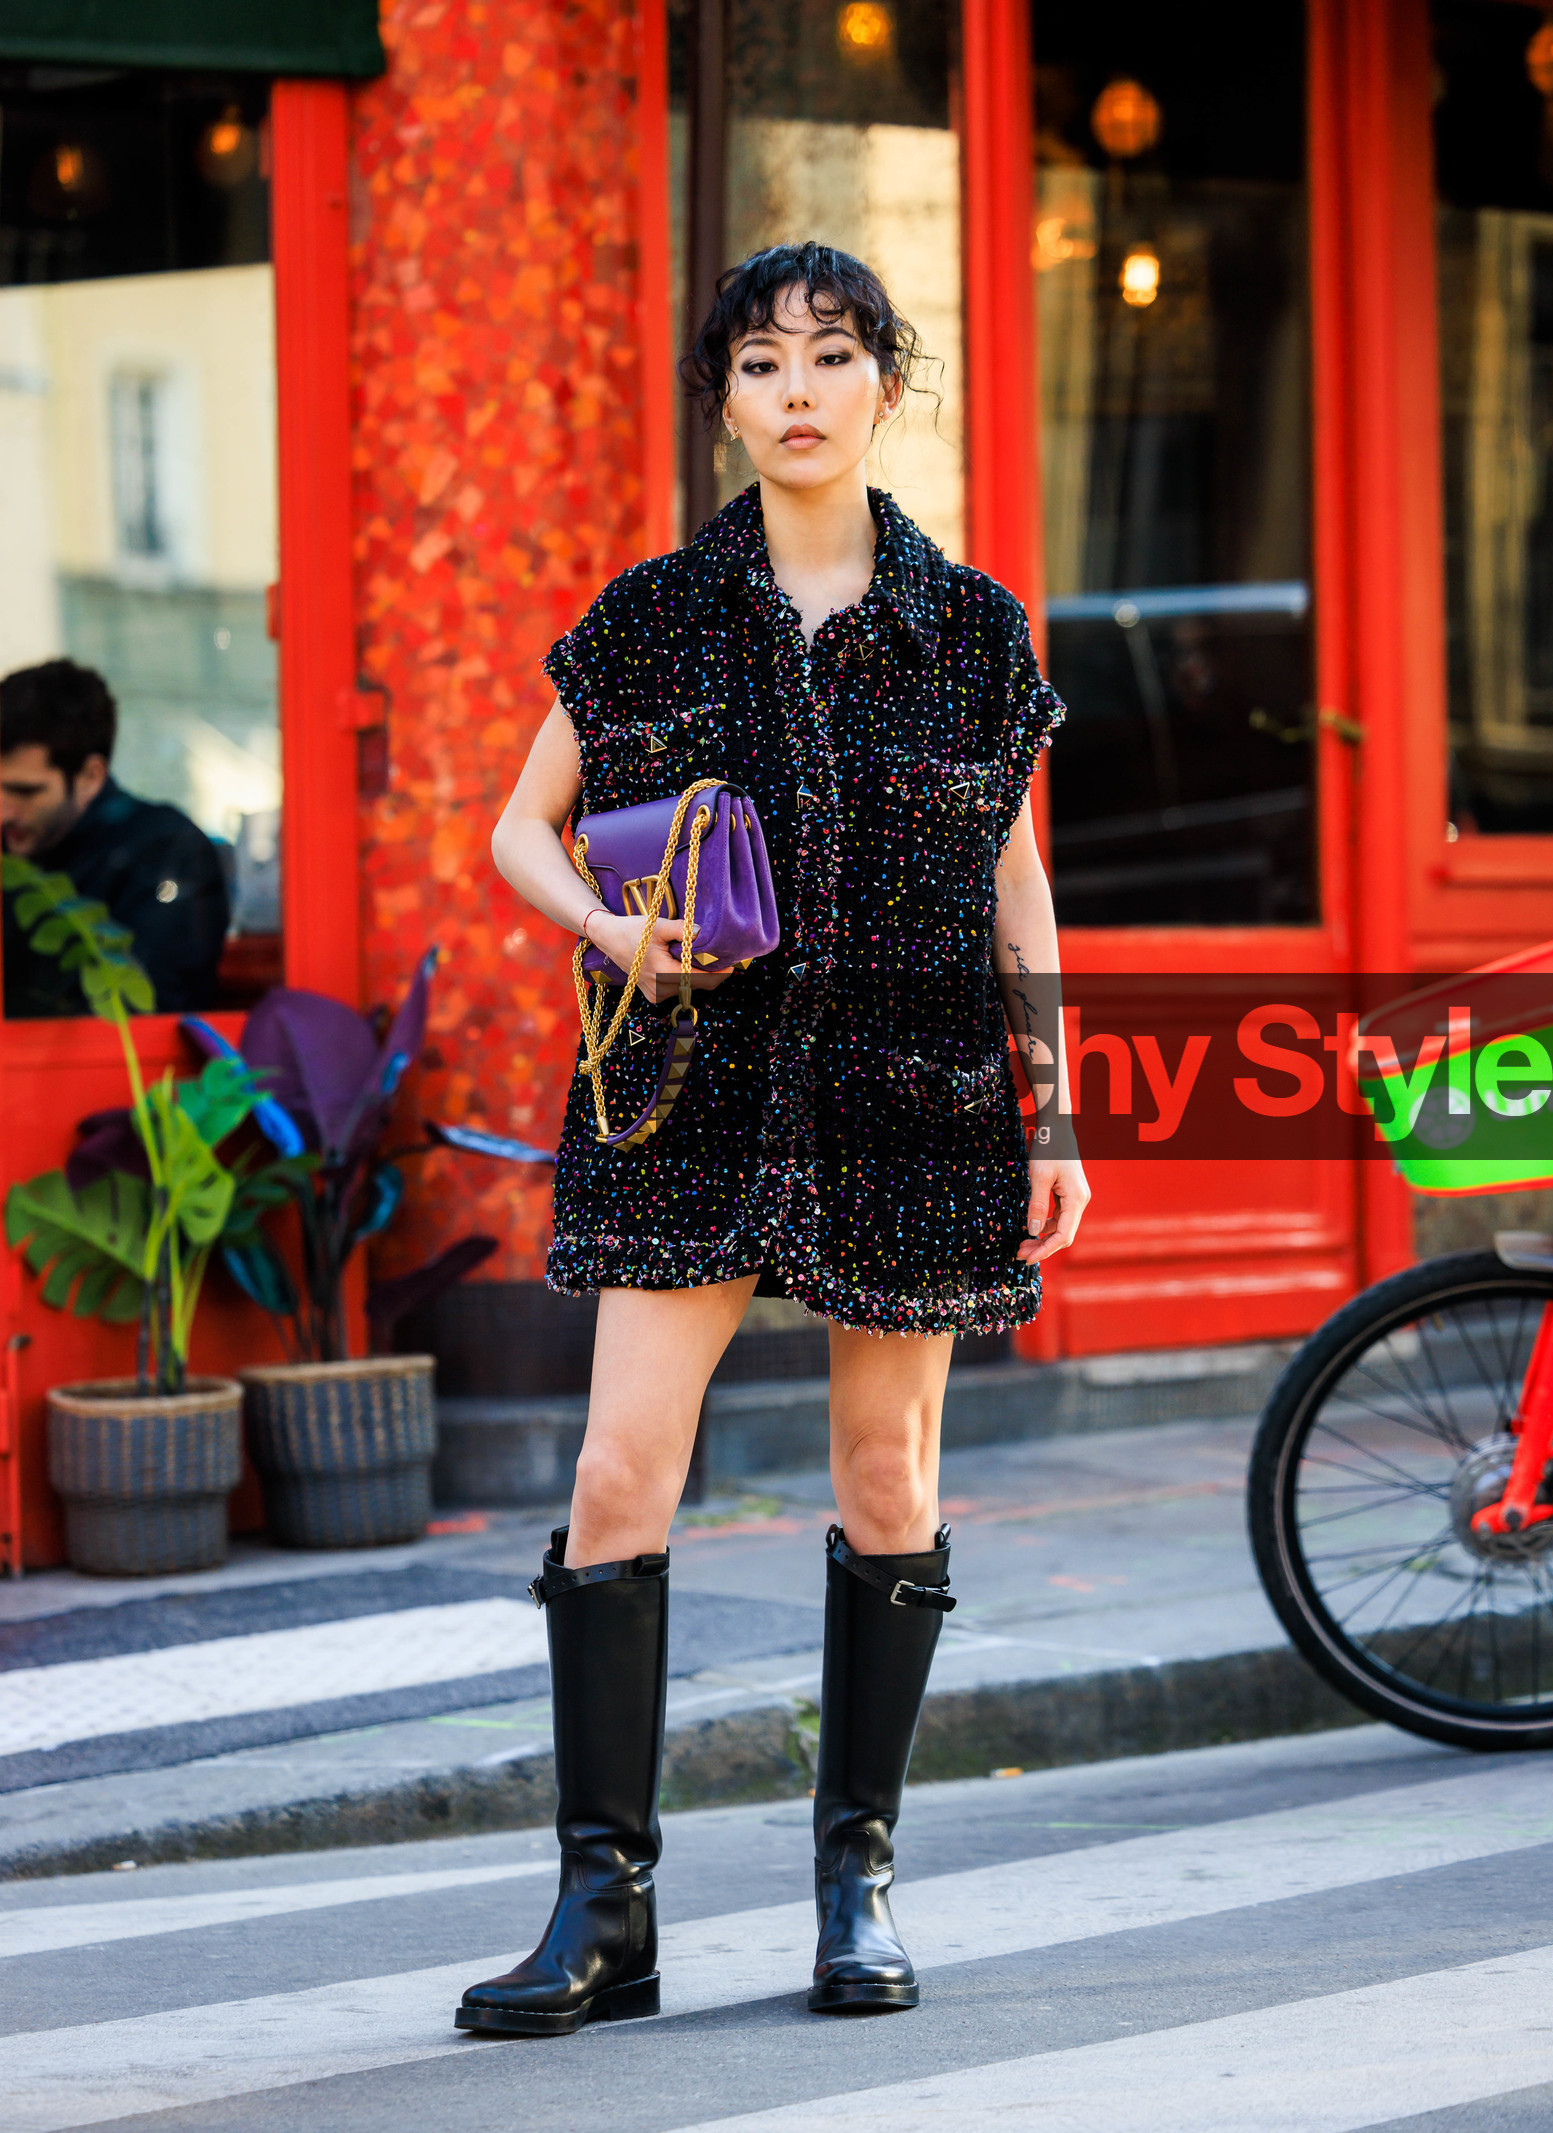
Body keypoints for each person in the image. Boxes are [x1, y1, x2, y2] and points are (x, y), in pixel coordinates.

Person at [459, 242, 1089, 2039]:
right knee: (614, 1474)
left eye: (831, 354)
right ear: (721, 397)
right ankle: (605, 1902)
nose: (796, 388)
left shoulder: (975, 632)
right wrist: (612, 930)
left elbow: (1018, 884)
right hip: (689, 1098)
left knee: (890, 1483)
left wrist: (1056, 1106)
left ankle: (859, 1873)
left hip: (917, 1099)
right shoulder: (652, 614)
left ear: (891, 384)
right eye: (758, 361)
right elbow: (522, 828)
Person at [0, 658, 229, 1016]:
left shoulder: (166, 852)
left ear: (90, 776)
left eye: (25, 792)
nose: (3, 811)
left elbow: (143, 1013)